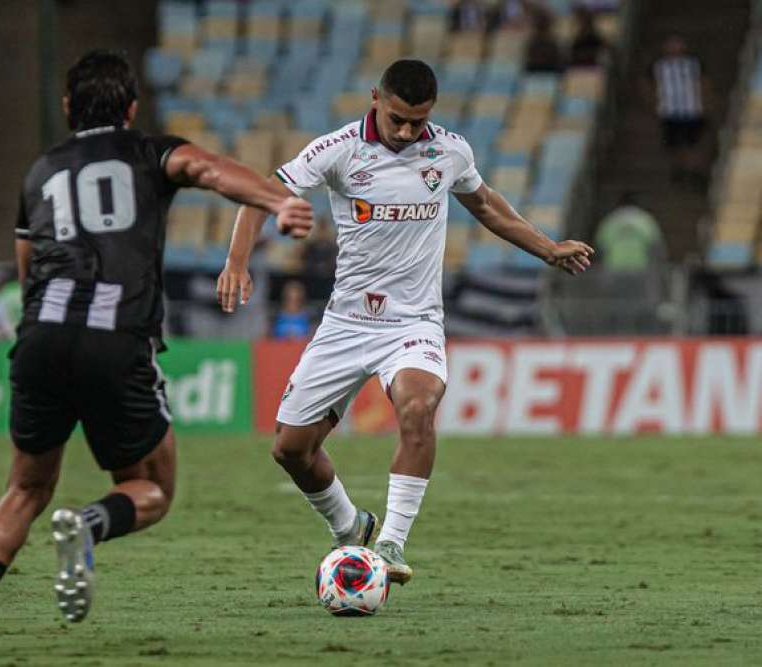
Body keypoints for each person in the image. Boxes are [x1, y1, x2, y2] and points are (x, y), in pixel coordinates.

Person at [0, 50, 313, 655]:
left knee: (26, 488)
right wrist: (277, 202)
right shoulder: (148, 151)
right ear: (132, 108)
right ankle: (88, 526)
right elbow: (210, 170)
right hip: (116, 339)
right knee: (151, 487)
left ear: (67, 108)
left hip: (40, 340)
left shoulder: (39, 173)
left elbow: (27, 274)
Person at [217, 59, 592, 586]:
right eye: (397, 119)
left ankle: (390, 544)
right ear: (376, 98)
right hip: (346, 324)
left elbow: (487, 206)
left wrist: (547, 248)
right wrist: (236, 261)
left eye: (419, 121)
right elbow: (262, 194)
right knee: (290, 449)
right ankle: (350, 527)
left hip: (412, 324)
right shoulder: (339, 149)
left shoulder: (450, 150)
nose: (408, 132)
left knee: (417, 410)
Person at [651, 36, 707, 184]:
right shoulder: (658, 66)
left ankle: (695, 172)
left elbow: (704, 83)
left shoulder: (693, 64)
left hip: (692, 111)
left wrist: (704, 102)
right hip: (669, 112)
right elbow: (646, 85)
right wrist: (655, 102)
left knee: (693, 143)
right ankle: (679, 170)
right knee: (673, 145)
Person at [594, 192, 664, 271]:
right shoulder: (646, 220)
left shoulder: (610, 220)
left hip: (614, 267)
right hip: (640, 268)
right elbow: (657, 247)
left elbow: (599, 247)